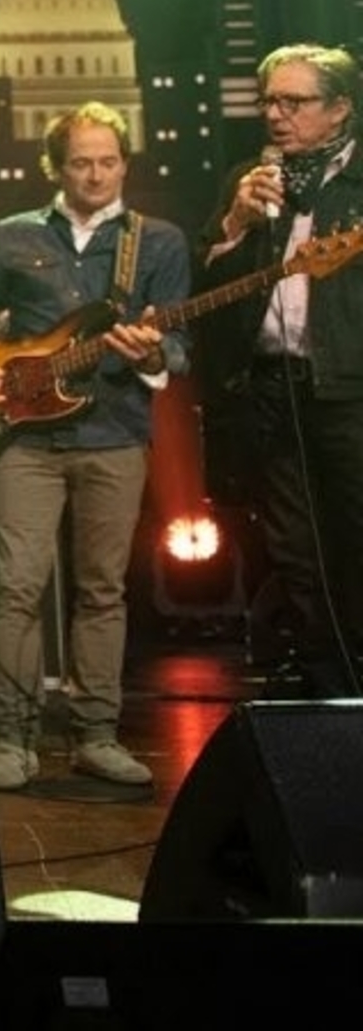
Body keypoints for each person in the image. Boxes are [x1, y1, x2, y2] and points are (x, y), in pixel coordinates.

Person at [0, 102, 187, 791]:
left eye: (108, 161)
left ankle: (96, 735)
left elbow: (180, 347)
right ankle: (12, 738)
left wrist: (151, 351)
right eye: (81, 163)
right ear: (54, 166)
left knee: (102, 589)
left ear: (124, 163)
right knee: (16, 585)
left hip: (116, 433)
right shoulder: (13, 236)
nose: (96, 175)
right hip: (26, 439)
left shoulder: (158, 242)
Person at [196, 43, 363, 698]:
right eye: (269, 100)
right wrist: (236, 223)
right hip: (269, 388)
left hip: (349, 389)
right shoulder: (249, 180)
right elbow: (207, 287)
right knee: (294, 547)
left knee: (354, 533)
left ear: (340, 108)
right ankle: (327, 688)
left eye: (294, 102)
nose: (275, 114)